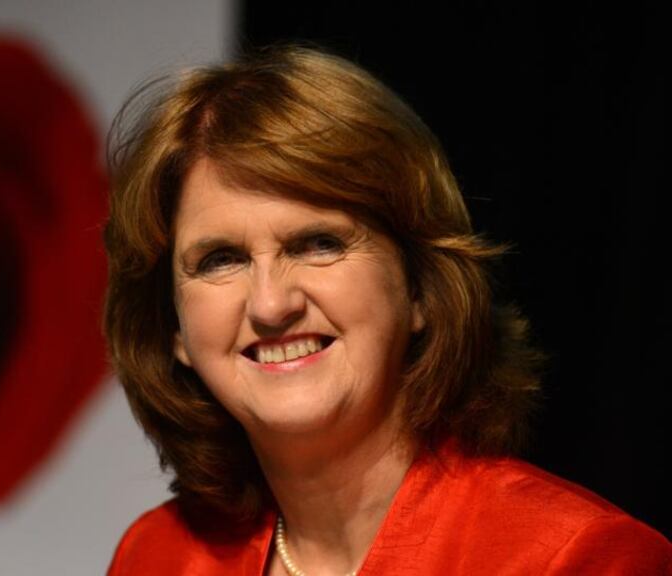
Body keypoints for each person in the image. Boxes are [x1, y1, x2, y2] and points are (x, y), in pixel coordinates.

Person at [102, 46, 671, 575]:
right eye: (221, 259)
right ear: (173, 324)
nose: (272, 304)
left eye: (319, 244)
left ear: (420, 287)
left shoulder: (575, 559)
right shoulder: (158, 557)